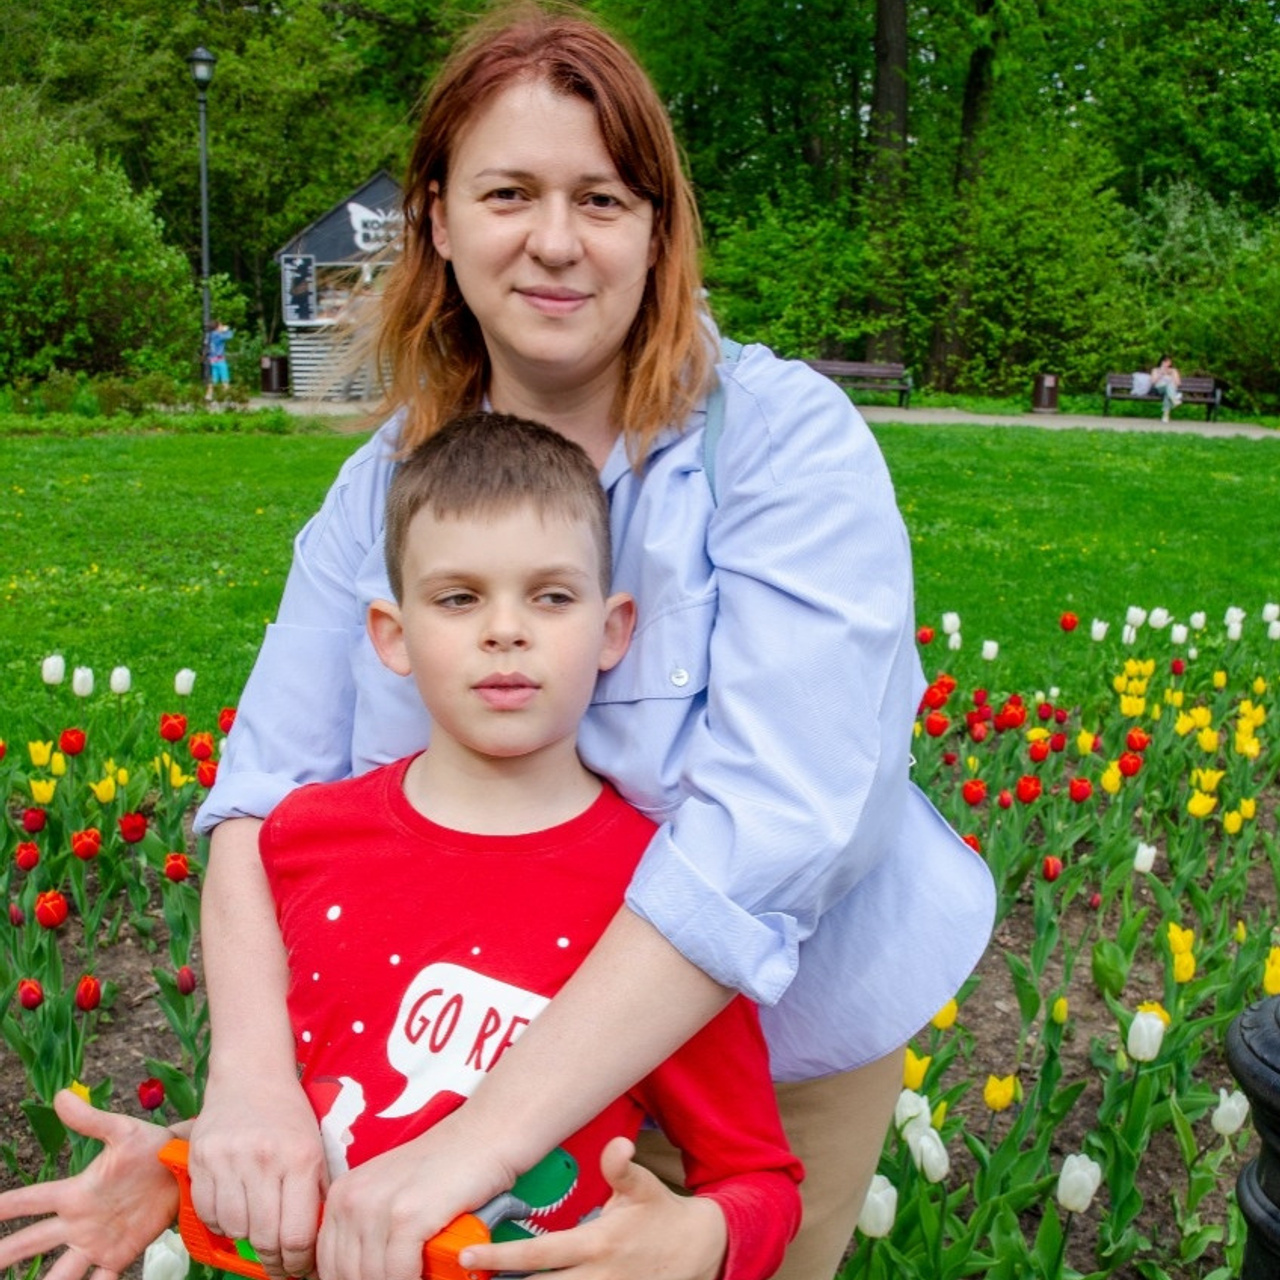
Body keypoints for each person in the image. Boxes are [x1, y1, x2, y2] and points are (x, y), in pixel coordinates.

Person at [0, 7, 995, 1280]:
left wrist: (479, 1144)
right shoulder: (387, 488)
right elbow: (261, 795)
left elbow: (777, 828)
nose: (555, 241)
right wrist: (249, 1089)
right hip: (458, 1035)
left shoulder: (778, 443)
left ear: (656, 227)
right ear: (436, 218)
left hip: (757, 1063)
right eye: (508, 192)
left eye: (602, 196)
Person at [206, 321, 234, 400]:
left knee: (214, 379)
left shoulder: (210, 335)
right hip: (220, 360)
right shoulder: (218, 335)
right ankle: (226, 396)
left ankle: (209, 395)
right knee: (225, 378)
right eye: (221, 326)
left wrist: (222, 330)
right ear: (217, 327)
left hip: (212, 360)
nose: (222, 327)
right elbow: (229, 336)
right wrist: (227, 330)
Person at [1150, 354, 1182, 423]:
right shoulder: (1155, 370)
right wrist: (1161, 373)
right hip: (1160, 388)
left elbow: (1178, 383)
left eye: (1168, 362)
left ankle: (1165, 416)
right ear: (1161, 362)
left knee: (1167, 394)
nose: (1166, 363)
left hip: (1170, 390)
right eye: (1165, 361)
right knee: (1168, 387)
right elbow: (1153, 382)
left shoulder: (1174, 370)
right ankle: (1174, 400)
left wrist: (1172, 375)